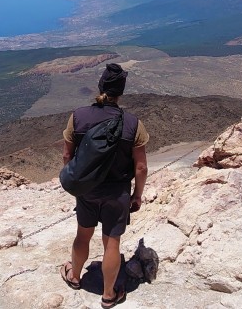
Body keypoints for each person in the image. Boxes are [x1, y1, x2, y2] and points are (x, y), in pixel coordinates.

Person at [59, 63, 149, 308]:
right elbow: (141, 167)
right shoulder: (133, 124)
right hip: (117, 193)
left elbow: (67, 155)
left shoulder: (78, 116)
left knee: (83, 235)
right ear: (121, 92)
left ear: (100, 86)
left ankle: (75, 276)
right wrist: (137, 195)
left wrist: (75, 180)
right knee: (112, 243)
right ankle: (109, 295)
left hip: (87, 190)